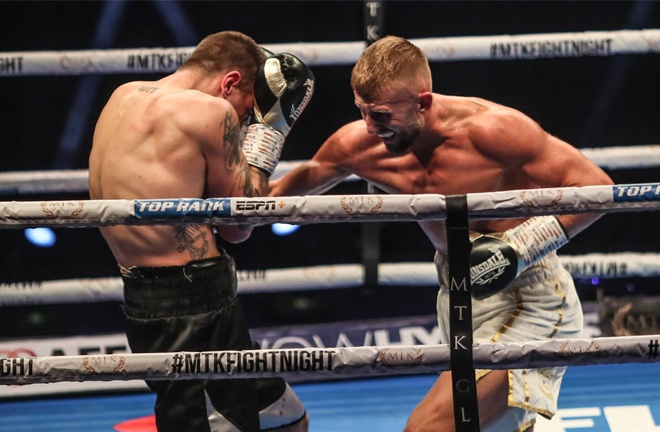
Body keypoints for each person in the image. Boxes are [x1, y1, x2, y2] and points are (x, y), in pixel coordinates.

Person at [269, 35, 614, 432]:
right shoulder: (357, 145)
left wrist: (517, 248)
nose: (369, 127)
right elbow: (267, 203)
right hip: (458, 299)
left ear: (424, 102)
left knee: (428, 429)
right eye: (362, 111)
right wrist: (269, 130)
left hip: (530, 300)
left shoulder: (493, 131)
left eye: (381, 115)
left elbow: (596, 189)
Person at [89, 31, 314, 432]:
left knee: (285, 417)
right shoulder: (211, 112)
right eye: (246, 113)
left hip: (147, 298)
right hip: (194, 308)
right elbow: (238, 226)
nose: (243, 123)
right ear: (229, 83)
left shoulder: (120, 96)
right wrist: (267, 134)